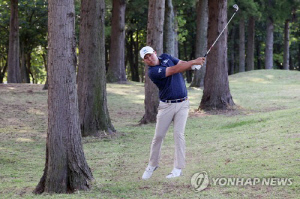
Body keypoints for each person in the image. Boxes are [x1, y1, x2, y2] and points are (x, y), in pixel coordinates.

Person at [140, 46, 206, 179]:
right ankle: (152, 165)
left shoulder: (166, 57)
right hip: (166, 107)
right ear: (145, 61)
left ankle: (178, 168)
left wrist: (192, 65)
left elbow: (180, 64)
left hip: (183, 104)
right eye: (145, 58)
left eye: (149, 55)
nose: (149, 58)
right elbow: (174, 70)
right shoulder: (152, 72)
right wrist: (193, 62)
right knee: (158, 136)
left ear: (155, 53)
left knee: (178, 135)